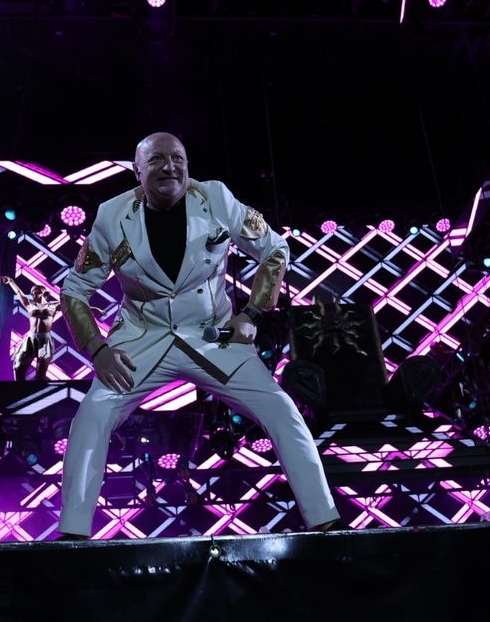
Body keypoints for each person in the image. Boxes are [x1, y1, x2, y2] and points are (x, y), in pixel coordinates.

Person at [56, 132, 342, 538]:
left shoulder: (217, 198)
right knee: (92, 416)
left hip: (214, 336)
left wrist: (253, 312)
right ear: (137, 170)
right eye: (157, 160)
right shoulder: (111, 215)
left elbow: (275, 249)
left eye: (178, 158)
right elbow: (75, 289)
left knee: (282, 409)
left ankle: (326, 523)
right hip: (141, 338)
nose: (169, 167)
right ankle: (73, 534)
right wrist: (97, 348)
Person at [3, 276, 57, 381]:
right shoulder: (29, 304)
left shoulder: (53, 305)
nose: (32, 293)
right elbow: (19, 292)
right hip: (31, 338)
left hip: (44, 340)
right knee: (18, 366)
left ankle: (38, 389)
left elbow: (72, 306)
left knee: (40, 372)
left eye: (35, 290)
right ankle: (20, 389)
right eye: (31, 292)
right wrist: (11, 282)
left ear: (42, 292)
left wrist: (89, 309)